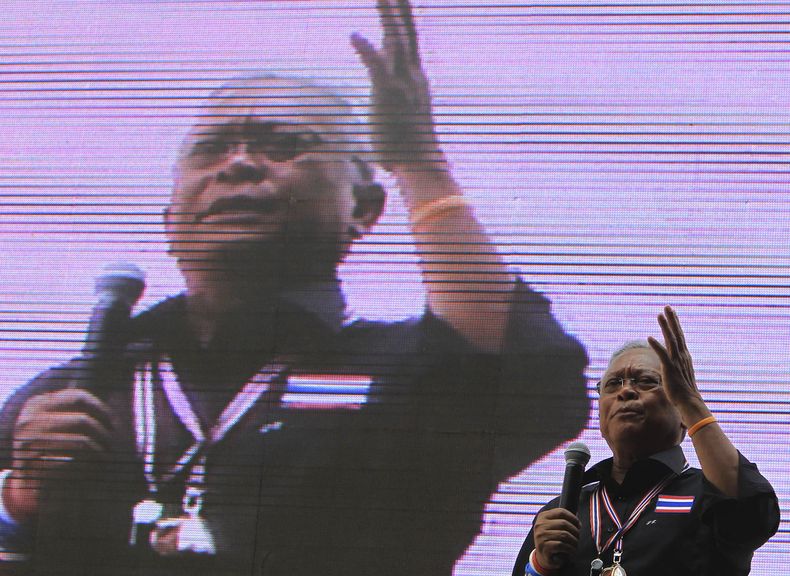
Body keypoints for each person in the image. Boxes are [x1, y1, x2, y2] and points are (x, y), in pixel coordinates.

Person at [0, 1, 587, 575]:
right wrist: (20, 500)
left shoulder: (406, 373)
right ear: (170, 218)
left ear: (363, 206)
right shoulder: (74, 393)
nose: (238, 164)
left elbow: (515, 368)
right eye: (210, 151)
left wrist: (417, 161)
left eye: (282, 146)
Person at [512, 306, 779, 576]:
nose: (626, 390)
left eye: (647, 381)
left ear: (682, 415)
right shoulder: (562, 513)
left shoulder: (709, 494)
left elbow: (754, 516)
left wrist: (691, 401)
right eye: (613, 383)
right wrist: (540, 566)